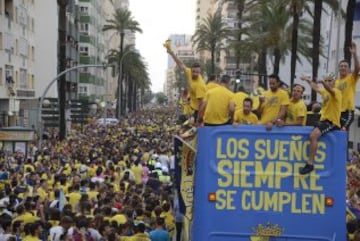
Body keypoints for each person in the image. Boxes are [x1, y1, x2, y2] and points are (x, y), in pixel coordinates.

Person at [300, 74, 342, 174]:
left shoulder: (337, 92)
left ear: (334, 82)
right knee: (311, 134)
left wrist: (323, 82)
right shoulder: (325, 92)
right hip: (323, 121)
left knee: (313, 136)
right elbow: (316, 87)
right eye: (326, 81)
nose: (328, 82)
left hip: (331, 122)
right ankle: (310, 163)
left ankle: (310, 164)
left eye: (330, 81)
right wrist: (307, 80)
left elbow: (330, 90)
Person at [164, 40, 206, 121]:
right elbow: (180, 64)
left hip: (199, 110)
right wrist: (171, 52)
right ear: (191, 70)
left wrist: (198, 119)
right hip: (192, 107)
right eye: (194, 71)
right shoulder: (189, 72)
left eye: (197, 72)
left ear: (200, 72)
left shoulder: (200, 85)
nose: (195, 74)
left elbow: (202, 103)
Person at [335, 41, 360, 130]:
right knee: (336, 132)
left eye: (345, 66)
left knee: (343, 130)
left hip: (347, 111)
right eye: (341, 66)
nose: (343, 68)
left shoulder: (351, 78)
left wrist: (354, 54)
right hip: (337, 111)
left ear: (349, 69)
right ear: (338, 68)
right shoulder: (336, 82)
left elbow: (357, 68)